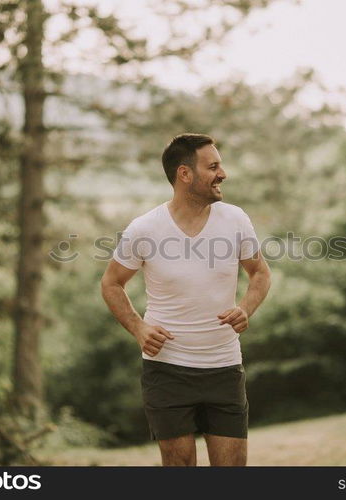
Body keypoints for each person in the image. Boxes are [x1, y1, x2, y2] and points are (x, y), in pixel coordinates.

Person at [101, 133, 271, 466]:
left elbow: (260, 273)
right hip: (167, 371)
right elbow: (111, 284)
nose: (223, 174)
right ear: (185, 174)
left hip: (224, 367)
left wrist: (245, 308)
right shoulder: (144, 229)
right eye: (213, 166)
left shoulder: (235, 219)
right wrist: (138, 328)